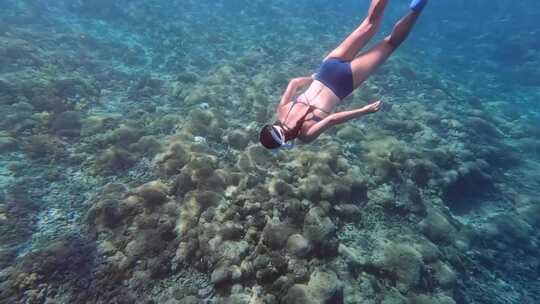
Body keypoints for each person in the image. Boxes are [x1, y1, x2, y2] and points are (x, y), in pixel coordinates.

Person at [259, 0, 428, 151]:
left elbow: (332, 119)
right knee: (370, 22)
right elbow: (294, 82)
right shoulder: (281, 110)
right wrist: (311, 78)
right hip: (327, 68)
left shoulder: (305, 136)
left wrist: (363, 111)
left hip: (342, 83)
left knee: (391, 42)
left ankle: (417, 7)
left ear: (283, 142)